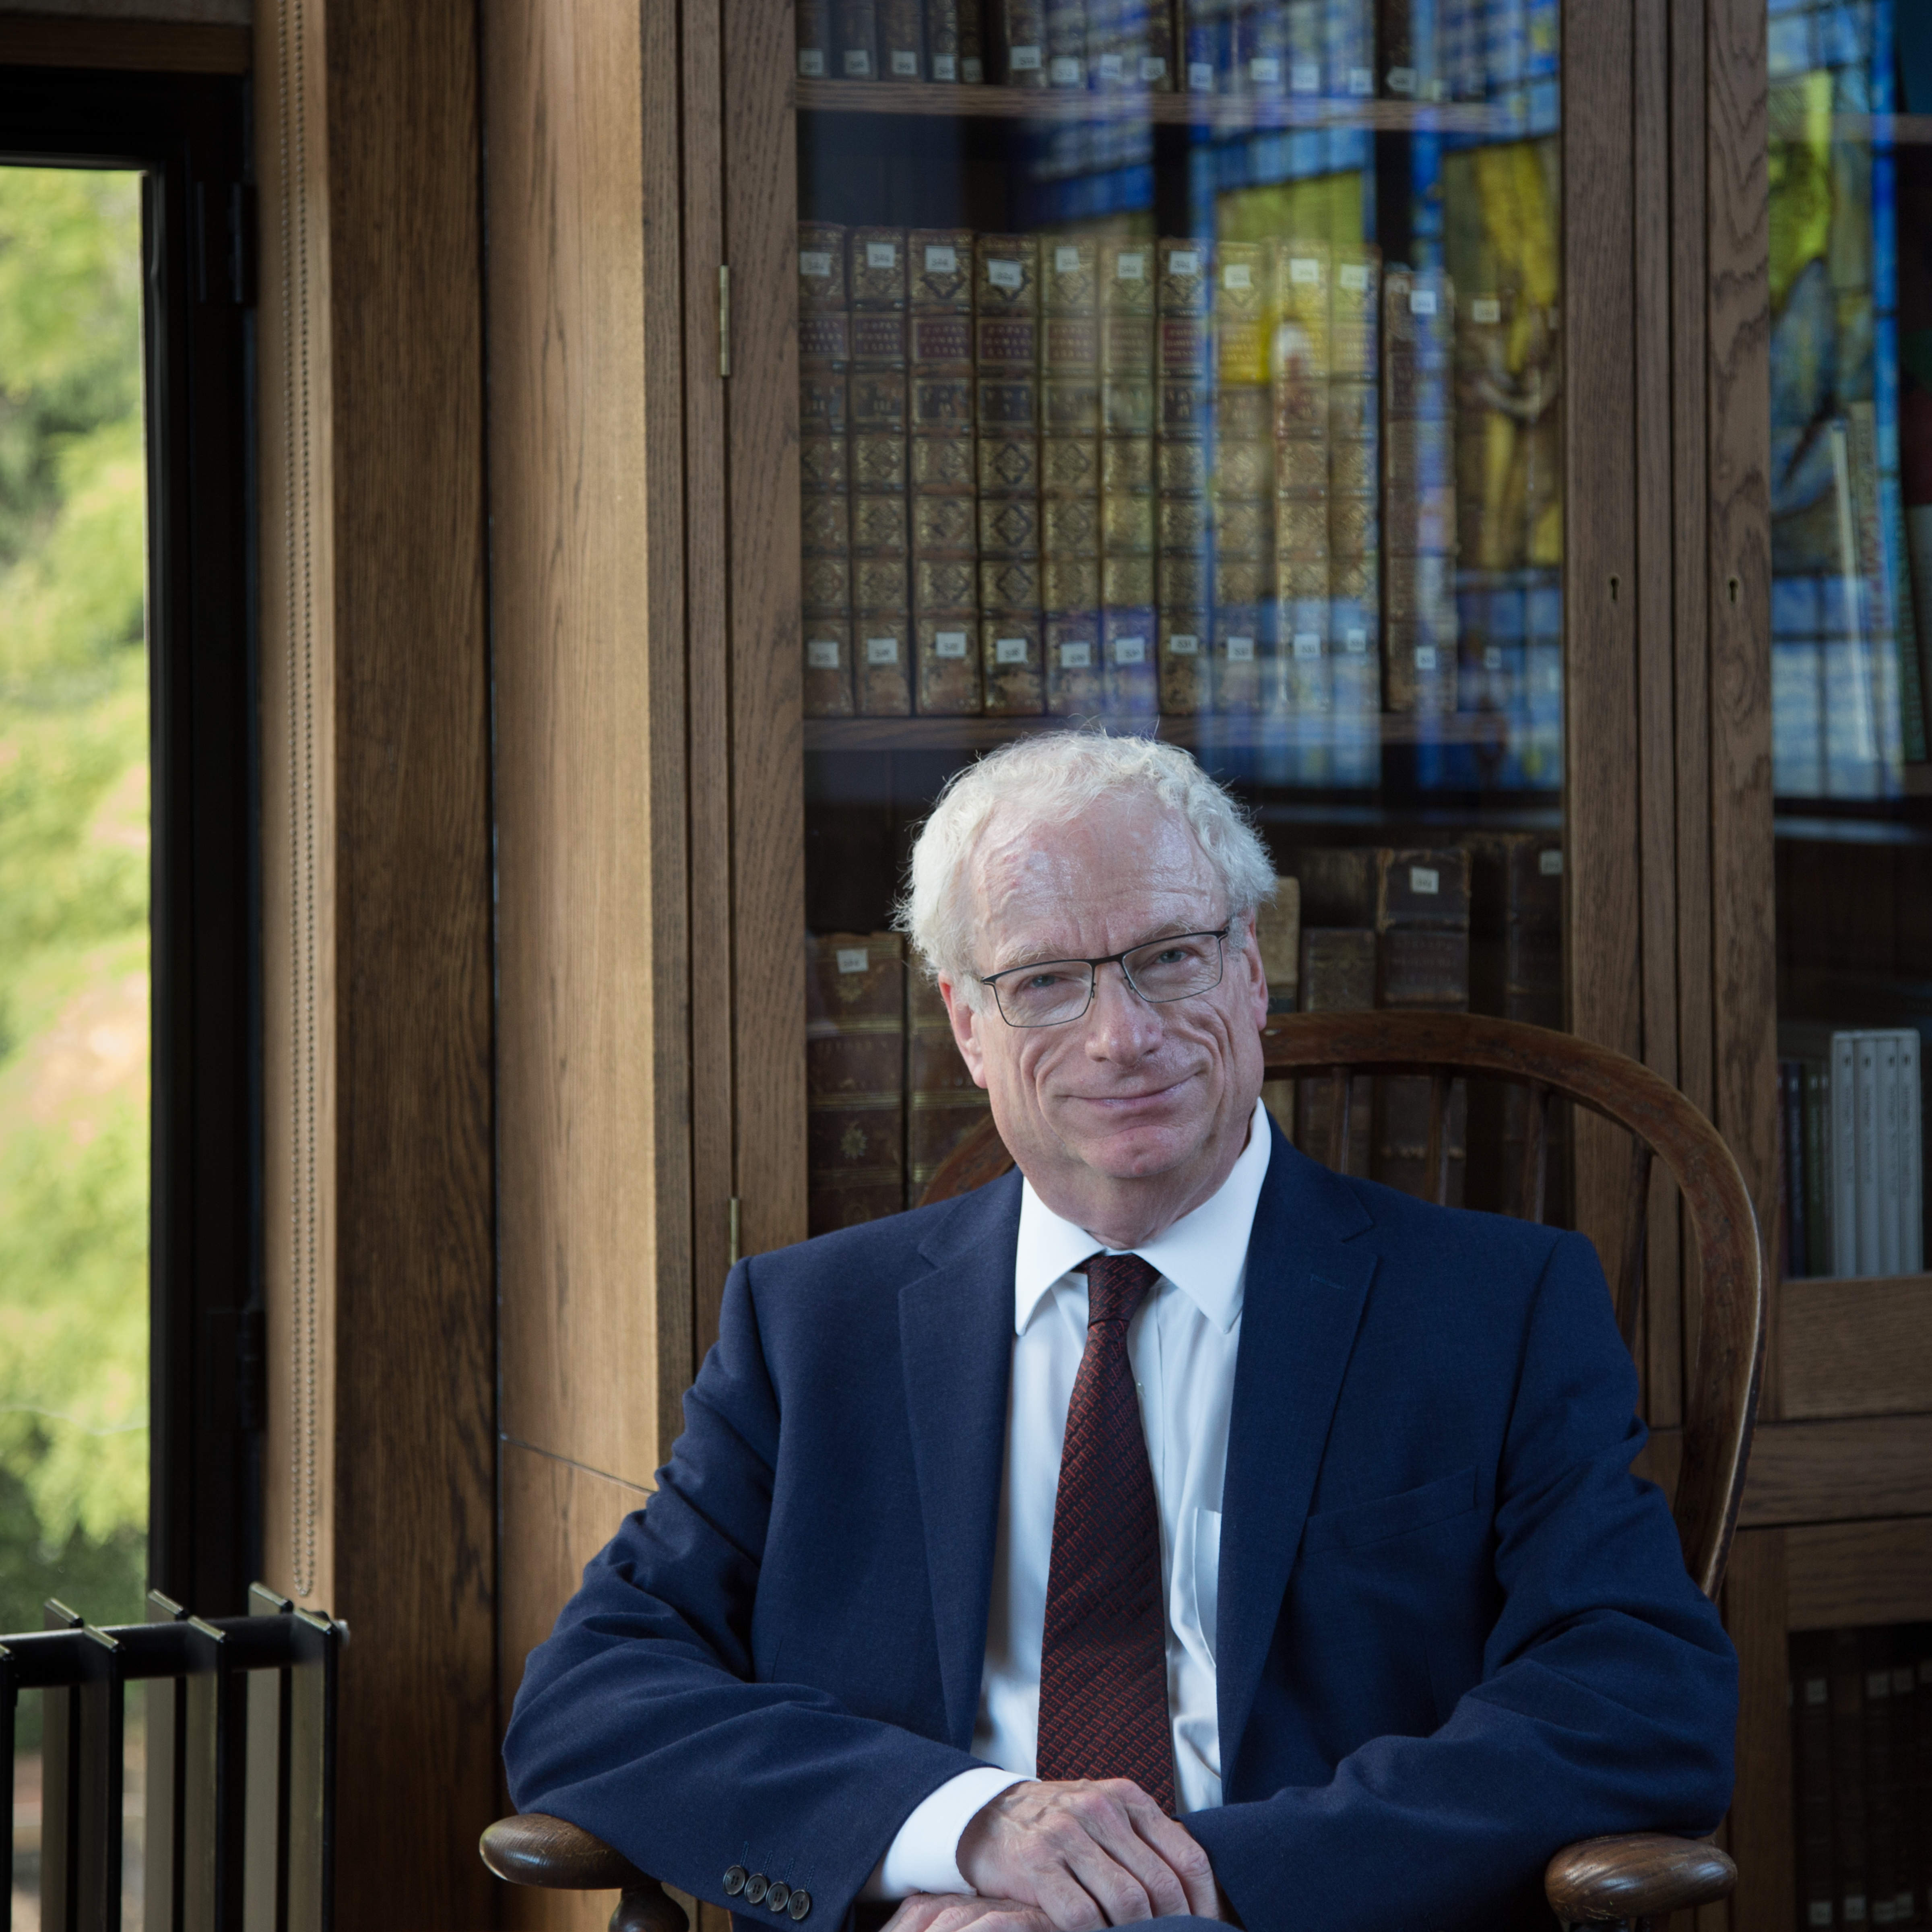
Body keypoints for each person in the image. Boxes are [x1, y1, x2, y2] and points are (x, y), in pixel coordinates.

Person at [503, 731, 1736, 1932]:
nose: (1121, 1035)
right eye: (1045, 981)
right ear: (967, 1025)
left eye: (1169, 957)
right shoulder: (810, 1327)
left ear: (1251, 967)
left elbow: (1637, 1697)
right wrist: (966, 1828)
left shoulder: (1495, 1307)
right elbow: (592, 1701)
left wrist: (1179, 1885)